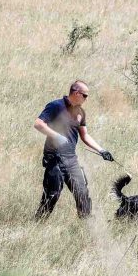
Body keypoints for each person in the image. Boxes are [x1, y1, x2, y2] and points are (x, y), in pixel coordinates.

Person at [33, 80, 113, 219]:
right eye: (85, 95)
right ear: (76, 93)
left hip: (71, 159)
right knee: (52, 194)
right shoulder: (56, 106)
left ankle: (86, 222)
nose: (86, 99)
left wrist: (102, 151)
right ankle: (38, 223)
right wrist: (56, 136)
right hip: (54, 157)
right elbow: (38, 124)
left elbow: (85, 135)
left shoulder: (80, 112)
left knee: (82, 191)